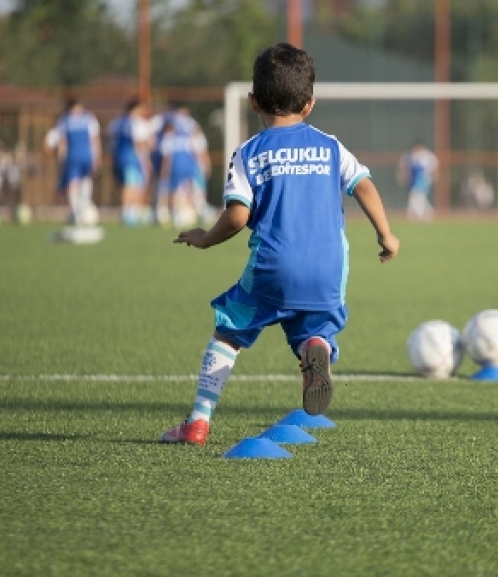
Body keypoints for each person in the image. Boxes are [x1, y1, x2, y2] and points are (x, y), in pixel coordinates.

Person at [160, 43, 400, 445]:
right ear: (309, 104)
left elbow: (238, 216)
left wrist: (205, 238)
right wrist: (385, 233)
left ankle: (198, 422)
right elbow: (364, 185)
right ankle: (315, 345)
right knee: (314, 325)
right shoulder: (330, 146)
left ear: (253, 101)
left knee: (229, 331)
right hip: (328, 268)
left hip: (273, 265)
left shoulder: (249, 152)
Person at [53, 99, 100, 224]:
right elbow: (63, 142)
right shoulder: (66, 120)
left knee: (84, 180)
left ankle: (82, 208)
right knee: (74, 182)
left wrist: (96, 157)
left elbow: (94, 139)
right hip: (74, 156)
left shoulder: (87, 119)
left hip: (85, 156)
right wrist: (61, 158)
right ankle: (75, 210)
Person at [109, 98, 151, 227]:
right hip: (133, 158)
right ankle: (129, 213)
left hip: (120, 157)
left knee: (130, 185)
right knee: (133, 186)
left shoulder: (117, 122)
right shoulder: (136, 123)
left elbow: (111, 139)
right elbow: (138, 143)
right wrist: (148, 148)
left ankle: (129, 213)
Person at [397, 140, 438, 221]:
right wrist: (403, 177)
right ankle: (427, 213)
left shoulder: (427, 155)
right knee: (418, 197)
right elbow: (403, 167)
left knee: (416, 196)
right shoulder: (409, 155)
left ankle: (420, 215)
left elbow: (434, 168)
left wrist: (434, 177)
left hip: (424, 179)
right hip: (413, 180)